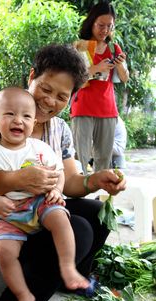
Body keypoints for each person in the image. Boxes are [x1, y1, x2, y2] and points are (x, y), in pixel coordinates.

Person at [0, 44, 126, 301]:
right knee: (78, 229)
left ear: (72, 98)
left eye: (62, 96)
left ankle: (69, 277)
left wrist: (95, 181)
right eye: (46, 89)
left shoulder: (60, 130)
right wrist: (18, 179)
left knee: (98, 215)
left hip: (37, 211)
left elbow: (70, 183)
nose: (50, 101)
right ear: (32, 77)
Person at [0, 86, 89, 301]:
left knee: (62, 220)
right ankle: (23, 295)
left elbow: (59, 173)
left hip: (39, 203)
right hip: (9, 212)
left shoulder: (39, 149)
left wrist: (56, 190)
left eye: (25, 116)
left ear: (33, 123)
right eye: (10, 114)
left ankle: (68, 268)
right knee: (4, 252)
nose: (18, 121)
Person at [70, 1, 129, 175]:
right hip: (83, 107)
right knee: (80, 158)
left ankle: (101, 199)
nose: (105, 30)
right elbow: (74, 78)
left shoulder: (114, 48)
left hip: (107, 109)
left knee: (104, 160)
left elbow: (125, 78)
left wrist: (119, 65)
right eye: (100, 25)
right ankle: (77, 197)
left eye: (109, 26)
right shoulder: (80, 46)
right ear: (92, 23)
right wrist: (97, 68)